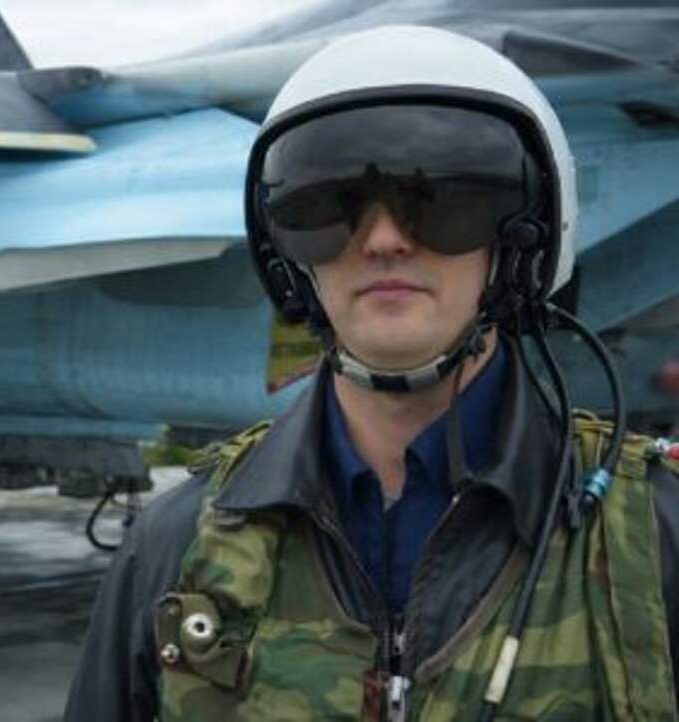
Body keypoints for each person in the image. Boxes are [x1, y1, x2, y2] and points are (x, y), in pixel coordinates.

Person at [64, 25, 679, 721]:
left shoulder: (652, 539)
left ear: (523, 240)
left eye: (444, 198)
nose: (384, 239)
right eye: (330, 202)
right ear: (286, 254)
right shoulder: (176, 548)